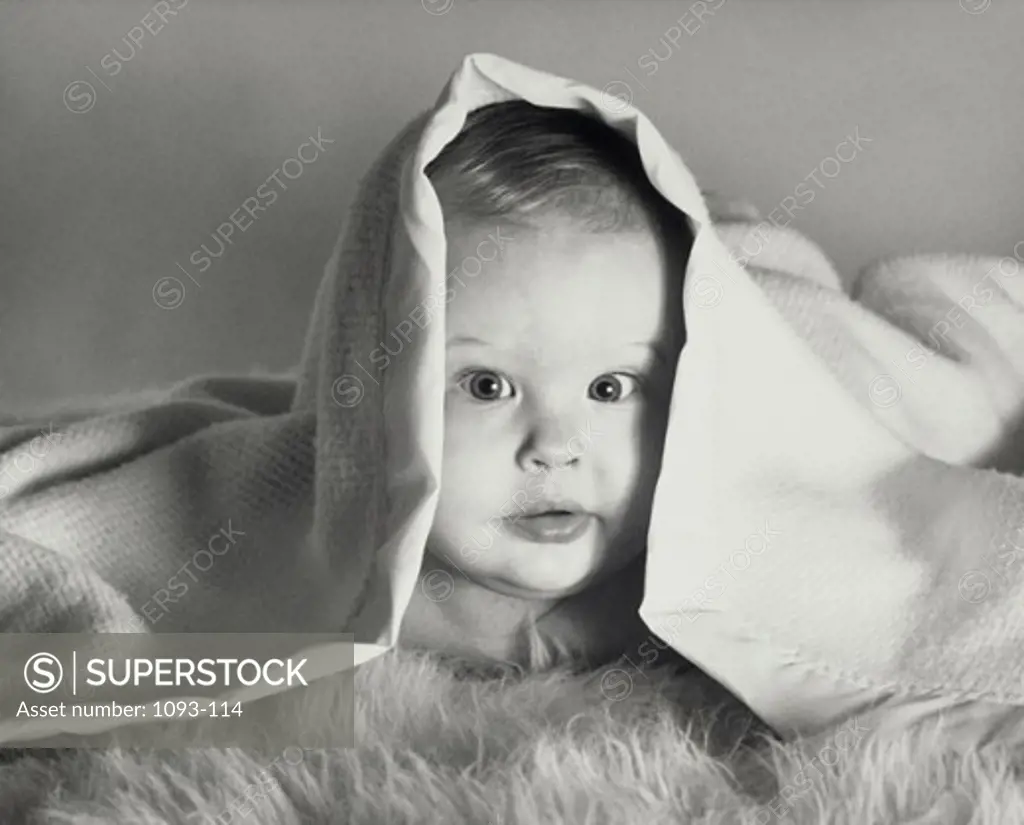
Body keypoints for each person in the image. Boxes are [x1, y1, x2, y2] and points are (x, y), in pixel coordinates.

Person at [397, 101, 694, 671]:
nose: (556, 447)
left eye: (609, 389)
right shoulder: (324, 571)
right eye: (487, 386)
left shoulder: (716, 577)